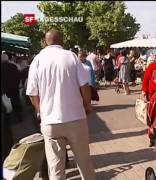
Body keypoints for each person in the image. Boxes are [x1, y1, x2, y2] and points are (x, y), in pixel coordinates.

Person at [26, 29, 96, 180]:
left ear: (45, 42)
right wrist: (87, 105)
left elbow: (32, 92)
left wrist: (40, 111)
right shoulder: (71, 56)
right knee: (84, 162)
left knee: (56, 168)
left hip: (50, 122)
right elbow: (85, 85)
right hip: (75, 118)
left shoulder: (37, 60)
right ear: (62, 41)